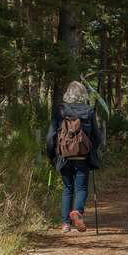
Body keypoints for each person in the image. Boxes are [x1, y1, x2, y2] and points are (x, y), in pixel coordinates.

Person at [46, 81, 102, 233]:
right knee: (81, 188)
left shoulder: (60, 111)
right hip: (82, 157)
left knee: (67, 189)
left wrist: (51, 156)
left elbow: (51, 136)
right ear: (83, 95)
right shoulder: (89, 111)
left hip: (64, 157)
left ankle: (65, 224)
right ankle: (77, 212)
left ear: (67, 94)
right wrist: (93, 151)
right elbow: (97, 137)